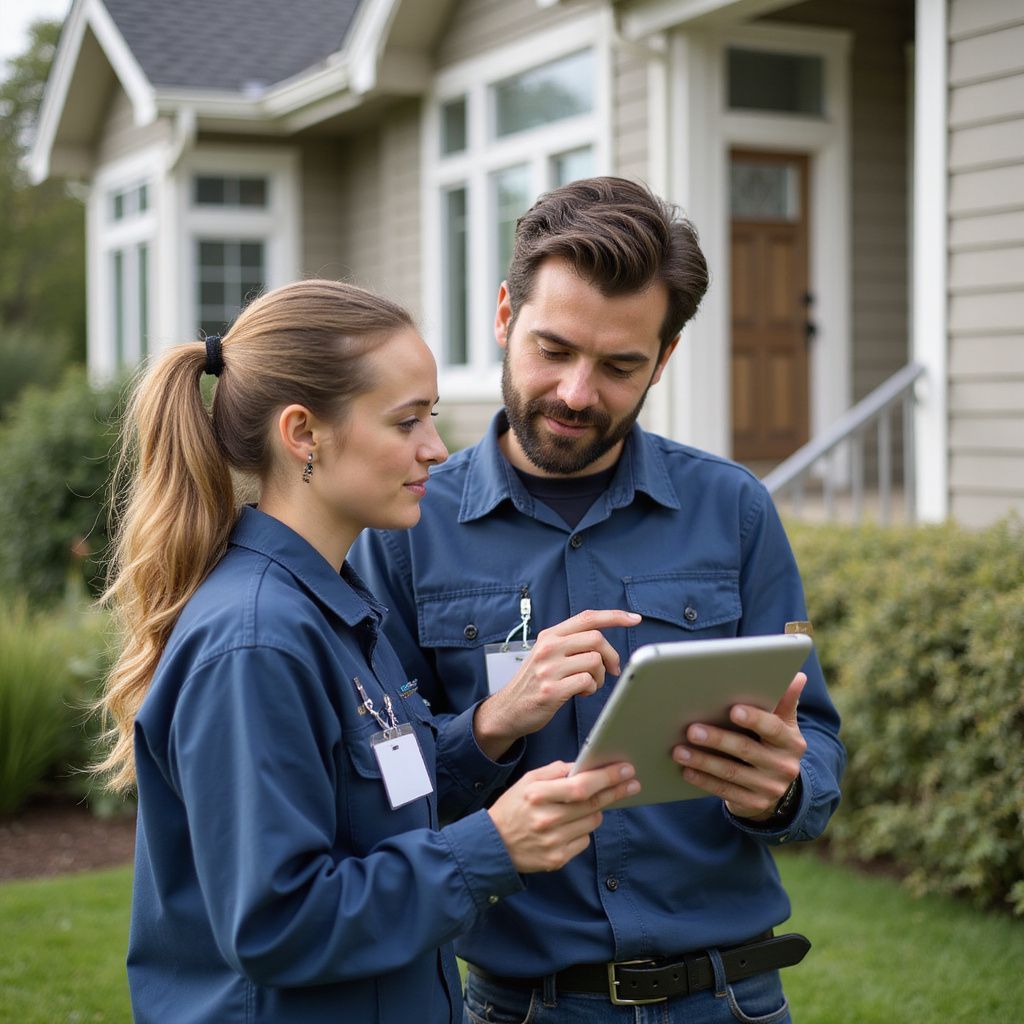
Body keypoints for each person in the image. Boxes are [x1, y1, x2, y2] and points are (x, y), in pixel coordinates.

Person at [350, 178, 846, 1023]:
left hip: (731, 1001)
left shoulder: (733, 511)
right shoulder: (405, 525)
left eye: (620, 366)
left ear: (665, 357)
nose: (578, 393)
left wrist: (784, 791)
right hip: (527, 1005)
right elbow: (375, 783)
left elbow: (819, 745)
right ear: (505, 316)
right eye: (554, 350)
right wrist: (492, 723)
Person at [95, 278, 643, 1024]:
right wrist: (494, 845)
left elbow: (378, 808)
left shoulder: (333, 608)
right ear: (302, 435)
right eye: (406, 421)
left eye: (433, 416)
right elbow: (277, 922)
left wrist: (494, 725)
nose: (436, 448)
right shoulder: (256, 641)